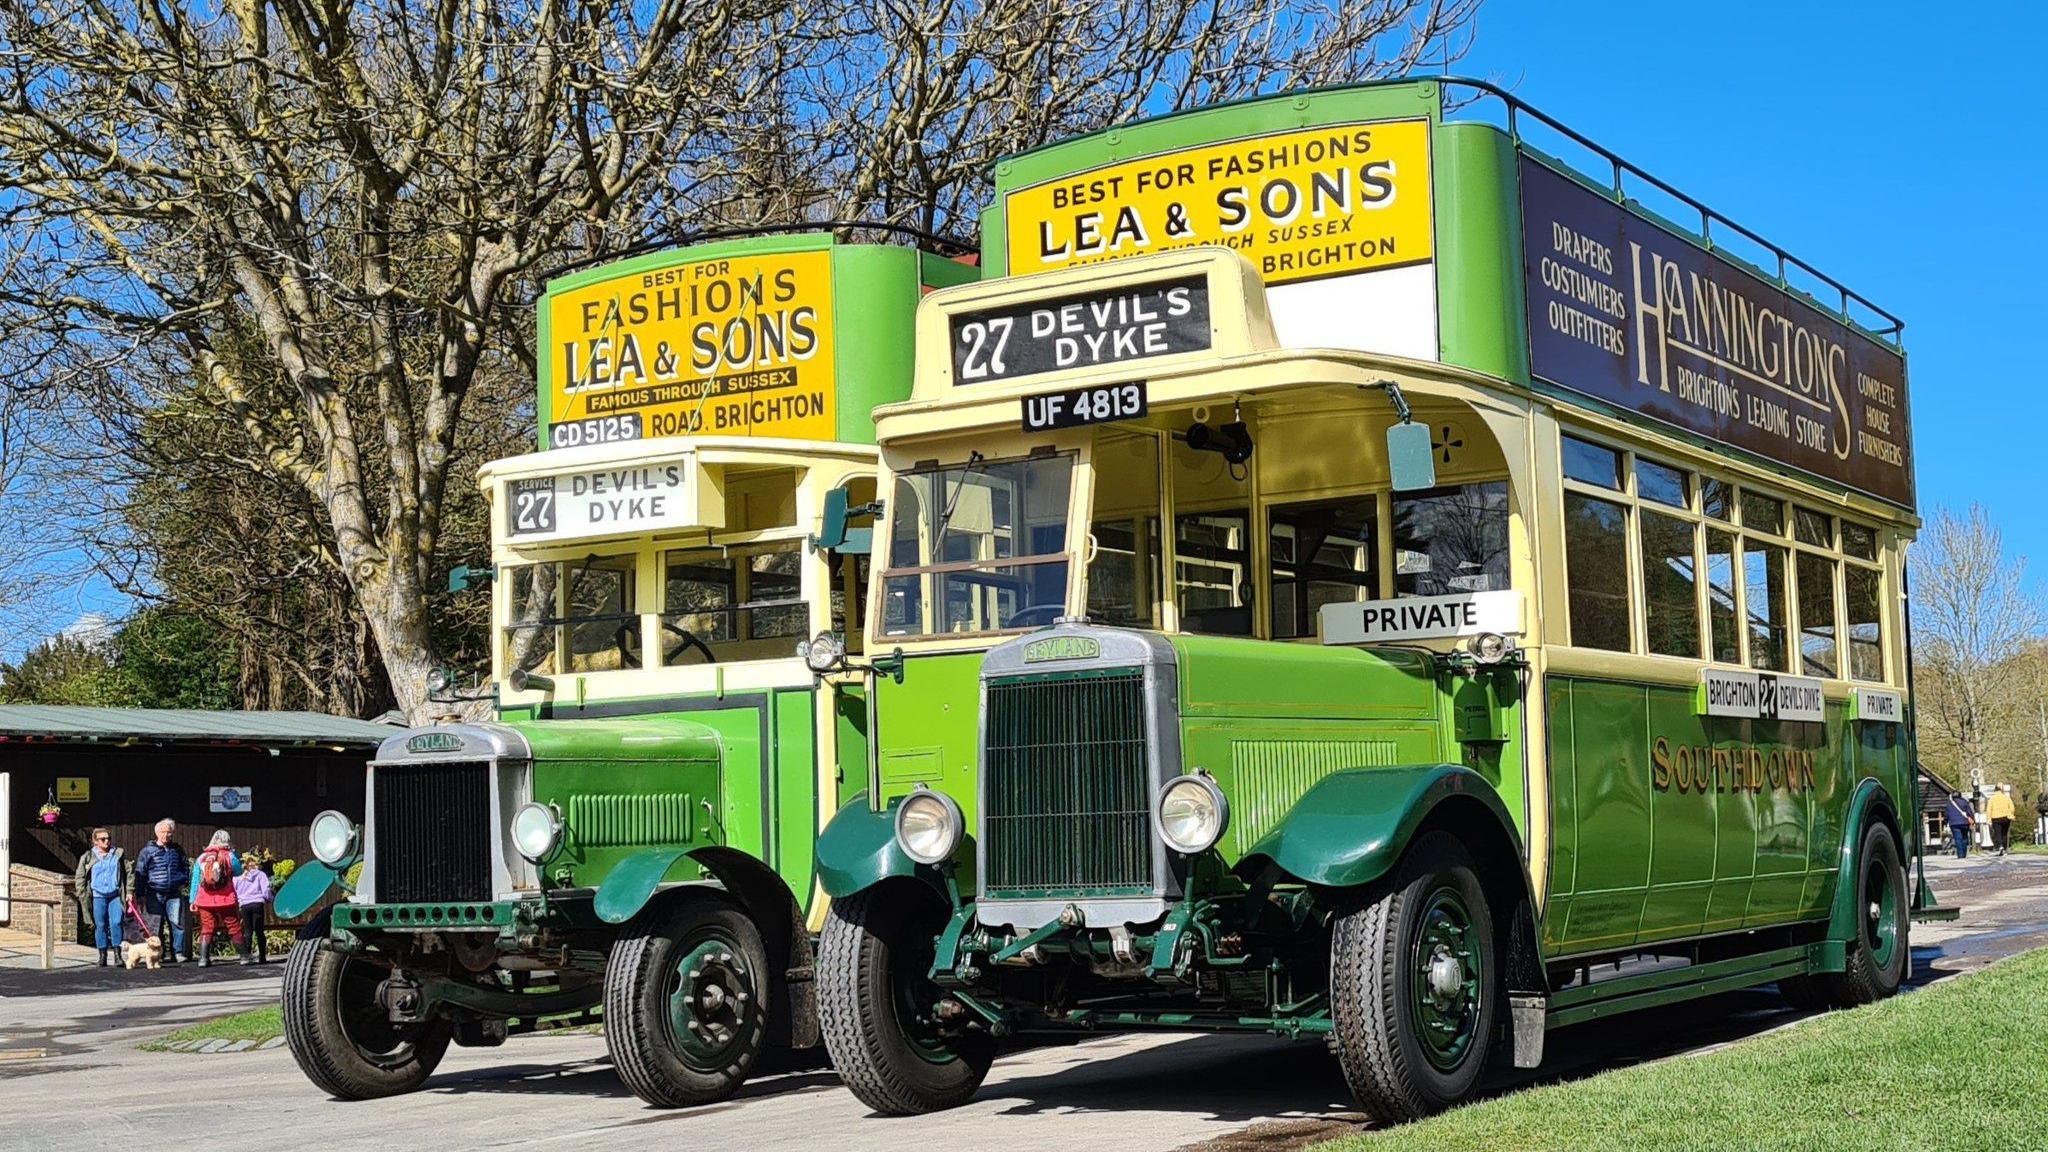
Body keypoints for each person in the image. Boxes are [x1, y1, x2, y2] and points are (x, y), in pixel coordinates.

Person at [133, 818, 191, 963]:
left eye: (169, 833)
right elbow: (140, 872)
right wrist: (140, 894)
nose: (167, 835)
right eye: (164, 832)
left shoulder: (177, 850)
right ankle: (158, 954)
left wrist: (183, 880)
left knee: (177, 923)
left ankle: (177, 952)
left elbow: (185, 866)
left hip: (174, 892)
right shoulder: (147, 851)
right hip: (154, 892)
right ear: (157, 833)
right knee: (155, 925)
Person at [189, 830, 250, 967]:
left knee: (206, 928)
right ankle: (244, 956)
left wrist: (193, 900)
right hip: (226, 898)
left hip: (204, 899)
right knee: (234, 926)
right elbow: (238, 872)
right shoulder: (230, 856)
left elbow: (195, 880)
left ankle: (203, 959)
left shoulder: (202, 857)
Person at [72, 828, 128, 967]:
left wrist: (130, 891)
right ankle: (102, 955)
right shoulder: (88, 856)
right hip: (98, 896)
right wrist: (81, 893)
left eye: (108, 838)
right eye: (103, 839)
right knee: (100, 925)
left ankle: (117, 955)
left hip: (115, 894)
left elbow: (129, 872)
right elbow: (80, 876)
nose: (107, 841)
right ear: (95, 841)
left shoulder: (118, 854)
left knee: (116, 923)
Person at [234, 851, 274, 964]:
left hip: (245, 905)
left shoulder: (239, 878)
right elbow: (266, 890)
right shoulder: (261, 875)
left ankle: (246, 957)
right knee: (259, 931)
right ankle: (262, 956)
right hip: (257, 903)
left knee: (248, 931)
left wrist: (240, 901)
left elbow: (236, 891)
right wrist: (270, 899)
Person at [1987, 784, 2016, 857]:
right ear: (2001, 790)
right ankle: (2005, 849)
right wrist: (2011, 814)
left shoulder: (1992, 799)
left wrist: (1989, 819)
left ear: (1995, 790)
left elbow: (1989, 810)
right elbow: (2012, 807)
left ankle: (2000, 847)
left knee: (1998, 833)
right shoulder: (2006, 797)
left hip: (1995, 818)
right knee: (2004, 833)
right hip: (2006, 817)